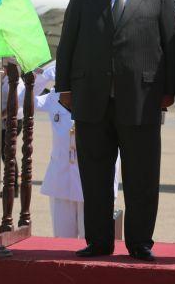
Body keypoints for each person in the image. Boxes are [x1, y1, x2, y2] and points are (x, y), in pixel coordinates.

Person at [55, 0, 175, 260]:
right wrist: (64, 87)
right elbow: (68, 41)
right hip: (91, 99)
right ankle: (99, 242)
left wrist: (170, 90)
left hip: (142, 100)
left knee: (142, 177)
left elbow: (171, 46)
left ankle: (140, 243)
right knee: (95, 177)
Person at [23, 62, 121, 238]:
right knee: (62, 238)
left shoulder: (105, 97)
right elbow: (21, 102)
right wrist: (43, 77)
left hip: (93, 179)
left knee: (91, 238)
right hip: (62, 178)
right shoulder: (54, 97)